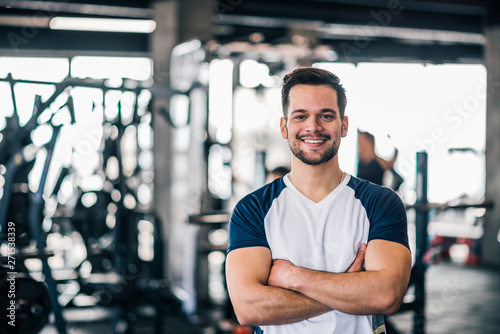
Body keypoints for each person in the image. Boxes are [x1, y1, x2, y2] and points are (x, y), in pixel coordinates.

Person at [225, 67, 411, 334]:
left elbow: (385, 295)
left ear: (343, 125)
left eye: (326, 115)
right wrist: (351, 289)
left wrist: (292, 277)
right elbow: (249, 308)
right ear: (284, 126)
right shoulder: (253, 209)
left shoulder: (380, 202)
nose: (313, 126)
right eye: (301, 116)